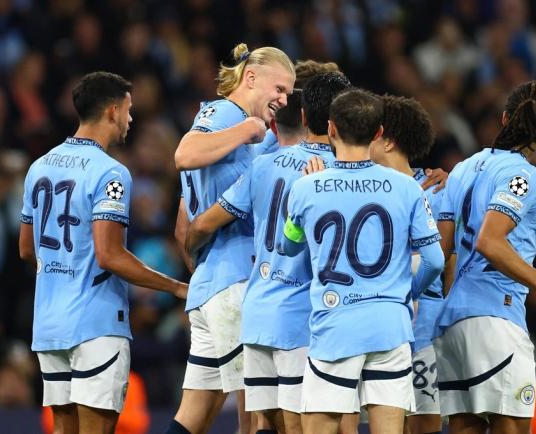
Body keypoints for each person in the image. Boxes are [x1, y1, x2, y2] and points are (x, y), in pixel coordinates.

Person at [18, 71, 188, 434]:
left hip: (49, 323)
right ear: (112, 111)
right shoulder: (111, 173)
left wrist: (62, 271)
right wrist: (176, 287)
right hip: (95, 325)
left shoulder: (38, 167)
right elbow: (109, 255)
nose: (131, 119)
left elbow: (26, 249)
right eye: (128, 110)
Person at [185, 70, 351, 434]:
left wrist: (192, 254)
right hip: (304, 317)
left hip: (258, 312)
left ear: (304, 115)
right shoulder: (339, 175)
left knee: (263, 423)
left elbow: (201, 225)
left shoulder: (263, 164)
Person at [282, 89, 445, 434]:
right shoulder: (408, 188)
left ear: (331, 129)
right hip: (390, 326)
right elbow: (434, 260)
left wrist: (299, 208)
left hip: (335, 326)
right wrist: (408, 293)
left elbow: (288, 247)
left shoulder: (306, 187)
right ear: (378, 133)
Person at [434, 81, 536, 434]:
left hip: (453, 325)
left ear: (504, 119)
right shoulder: (522, 175)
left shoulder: (462, 169)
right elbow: (489, 241)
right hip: (496, 321)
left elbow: (441, 252)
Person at [167, 43, 295, 434]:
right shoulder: (229, 115)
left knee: (192, 418)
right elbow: (184, 154)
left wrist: (203, 270)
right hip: (238, 284)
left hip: (211, 288)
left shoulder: (254, 136)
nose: (284, 100)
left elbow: (183, 227)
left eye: (289, 93)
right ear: (250, 78)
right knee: (258, 416)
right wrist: (247, 129)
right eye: (279, 89)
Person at [369, 95, 454, 434]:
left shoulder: (437, 189)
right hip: (380, 321)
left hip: (425, 326)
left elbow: (447, 260)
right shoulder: (363, 190)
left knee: (422, 421)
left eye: (372, 133)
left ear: (388, 141)